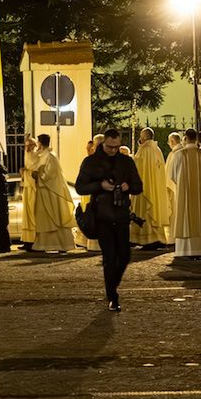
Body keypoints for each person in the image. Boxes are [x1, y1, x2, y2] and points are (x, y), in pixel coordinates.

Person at [75, 129, 143, 311]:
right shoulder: (91, 162)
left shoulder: (126, 162)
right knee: (109, 257)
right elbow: (80, 187)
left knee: (125, 255)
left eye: (116, 147)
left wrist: (129, 186)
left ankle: (112, 286)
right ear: (102, 144)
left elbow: (139, 186)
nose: (113, 150)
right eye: (109, 147)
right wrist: (100, 185)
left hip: (121, 214)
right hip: (102, 216)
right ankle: (112, 296)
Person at [167, 129, 201, 258]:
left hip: (185, 194)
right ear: (196, 139)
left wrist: (182, 183)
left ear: (185, 138)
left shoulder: (179, 155)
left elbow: (172, 175)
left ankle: (185, 250)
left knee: (185, 218)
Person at [32, 134, 76, 253]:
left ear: (41, 143)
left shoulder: (50, 156)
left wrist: (39, 175)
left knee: (55, 216)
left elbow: (50, 174)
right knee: (45, 217)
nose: (37, 144)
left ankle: (62, 245)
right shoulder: (43, 155)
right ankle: (45, 244)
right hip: (43, 191)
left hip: (50, 191)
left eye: (37, 142)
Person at [130, 127, 168, 250]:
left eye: (141, 135)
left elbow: (137, 167)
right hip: (155, 188)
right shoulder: (157, 150)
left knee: (144, 211)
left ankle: (146, 239)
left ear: (145, 137)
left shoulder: (144, 150)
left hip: (144, 187)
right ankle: (158, 237)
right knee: (154, 211)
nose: (140, 138)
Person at [164, 132, 183, 246]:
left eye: (168, 141)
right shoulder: (183, 152)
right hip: (181, 188)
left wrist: (168, 188)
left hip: (174, 190)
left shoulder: (174, 154)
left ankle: (174, 238)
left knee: (174, 215)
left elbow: (170, 175)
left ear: (172, 141)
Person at [20, 135, 39, 251]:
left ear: (34, 145)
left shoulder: (36, 155)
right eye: (26, 145)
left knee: (32, 214)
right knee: (26, 215)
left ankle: (33, 240)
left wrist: (25, 172)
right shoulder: (28, 154)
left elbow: (35, 172)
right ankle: (27, 240)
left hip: (32, 188)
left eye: (29, 145)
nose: (27, 147)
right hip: (27, 187)